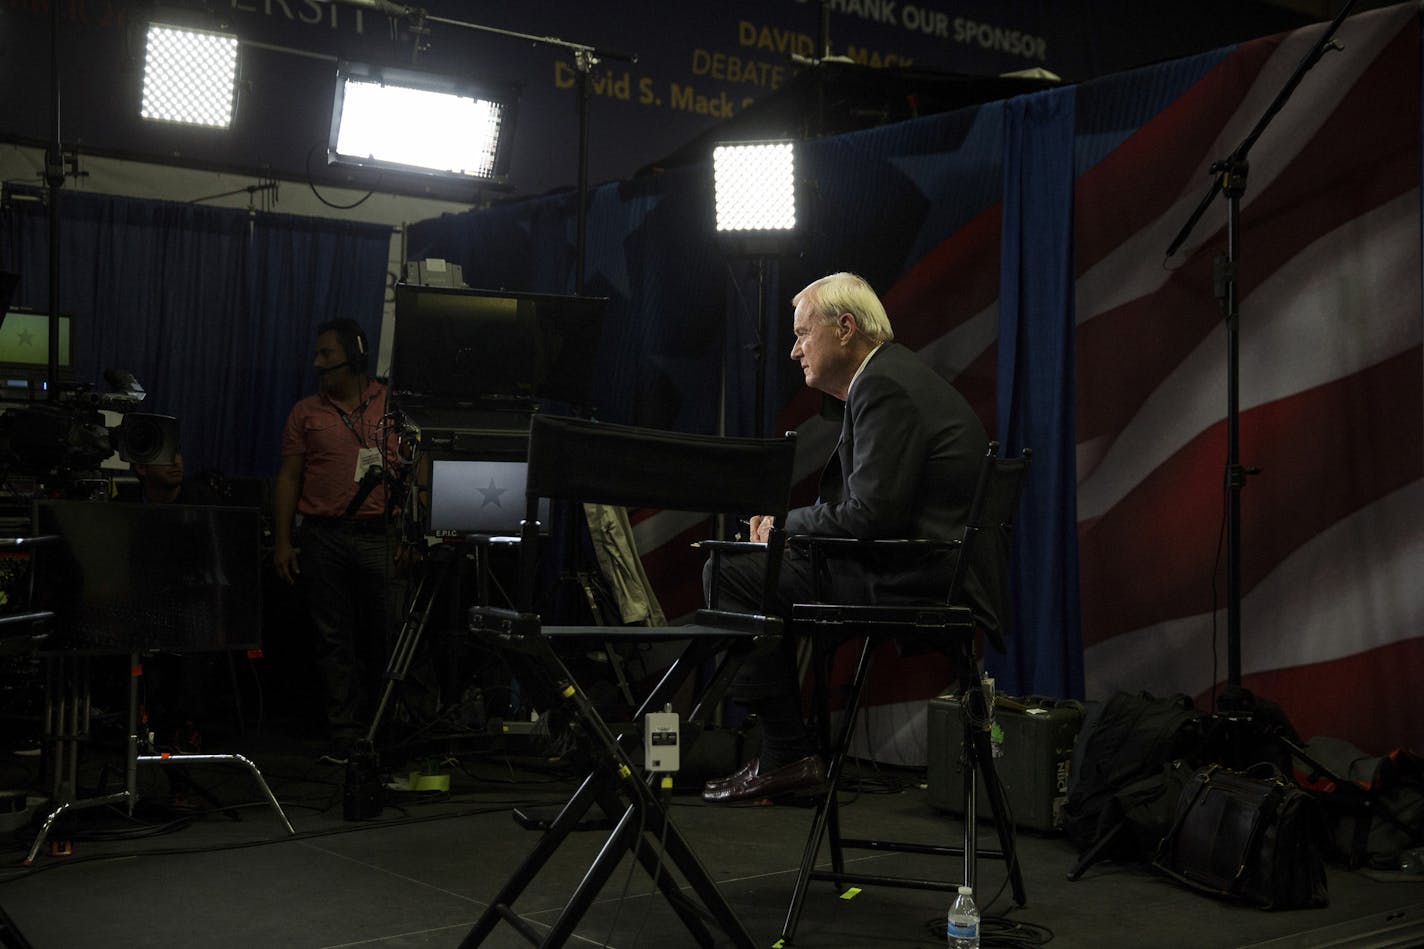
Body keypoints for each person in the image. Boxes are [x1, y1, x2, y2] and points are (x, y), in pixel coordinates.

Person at [702, 271, 998, 805]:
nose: (794, 351)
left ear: (844, 328)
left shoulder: (883, 384)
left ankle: (787, 754)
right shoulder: (889, 376)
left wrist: (786, 526)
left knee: (730, 572)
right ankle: (784, 756)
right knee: (753, 571)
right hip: (917, 568)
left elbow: (869, 516)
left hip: (914, 579)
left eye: (801, 334)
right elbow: (873, 509)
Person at [273, 318, 406, 763]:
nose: (318, 363)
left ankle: (385, 730)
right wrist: (282, 542)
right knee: (333, 640)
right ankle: (344, 736)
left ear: (355, 356)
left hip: (382, 536)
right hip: (323, 539)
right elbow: (289, 478)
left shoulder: (392, 405)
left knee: (388, 635)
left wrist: (414, 532)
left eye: (327, 354)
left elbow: (415, 468)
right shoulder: (305, 412)